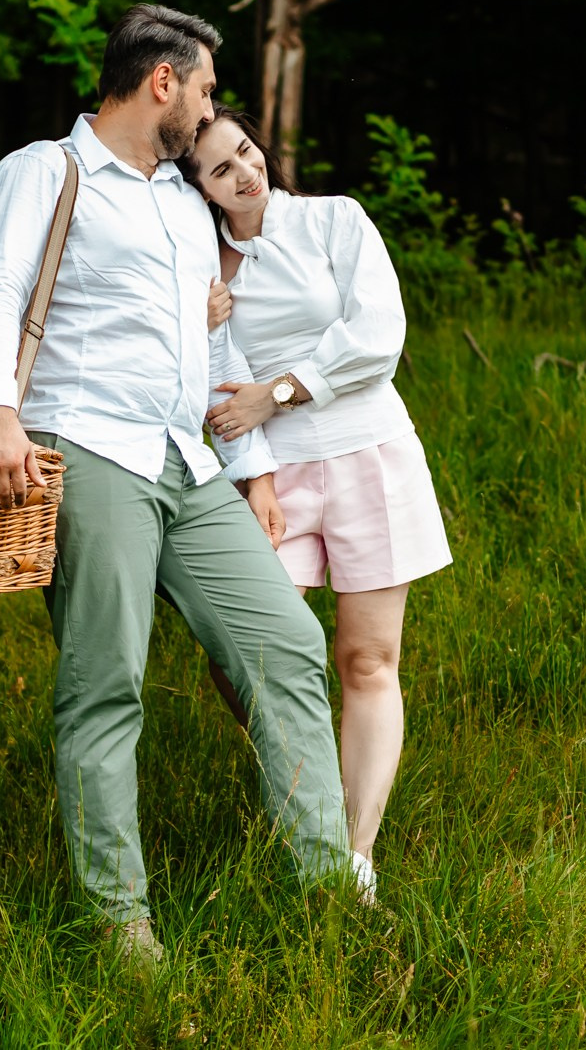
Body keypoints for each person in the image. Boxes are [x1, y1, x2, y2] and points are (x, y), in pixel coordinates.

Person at [0, 6, 347, 965]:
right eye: (208, 87)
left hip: (188, 459)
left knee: (289, 641)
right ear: (162, 82)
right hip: (87, 447)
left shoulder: (181, 200)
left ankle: (329, 883)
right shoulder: (45, 169)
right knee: (106, 685)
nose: (213, 107)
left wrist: (251, 469)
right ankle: (121, 920)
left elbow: (211, 340)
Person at [184, 104, 452, 908]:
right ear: (200, 188)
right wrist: (207, 339)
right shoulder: (204, 266)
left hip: (370, 453)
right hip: (274, 478)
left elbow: (378, 336)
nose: (246, 171)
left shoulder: (336, 221)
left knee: (367, 660)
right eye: (221, 169)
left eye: (246, 150)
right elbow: (215, 392)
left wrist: (280, 390)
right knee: (249, 657)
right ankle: (307, 802)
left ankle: (352, 853)